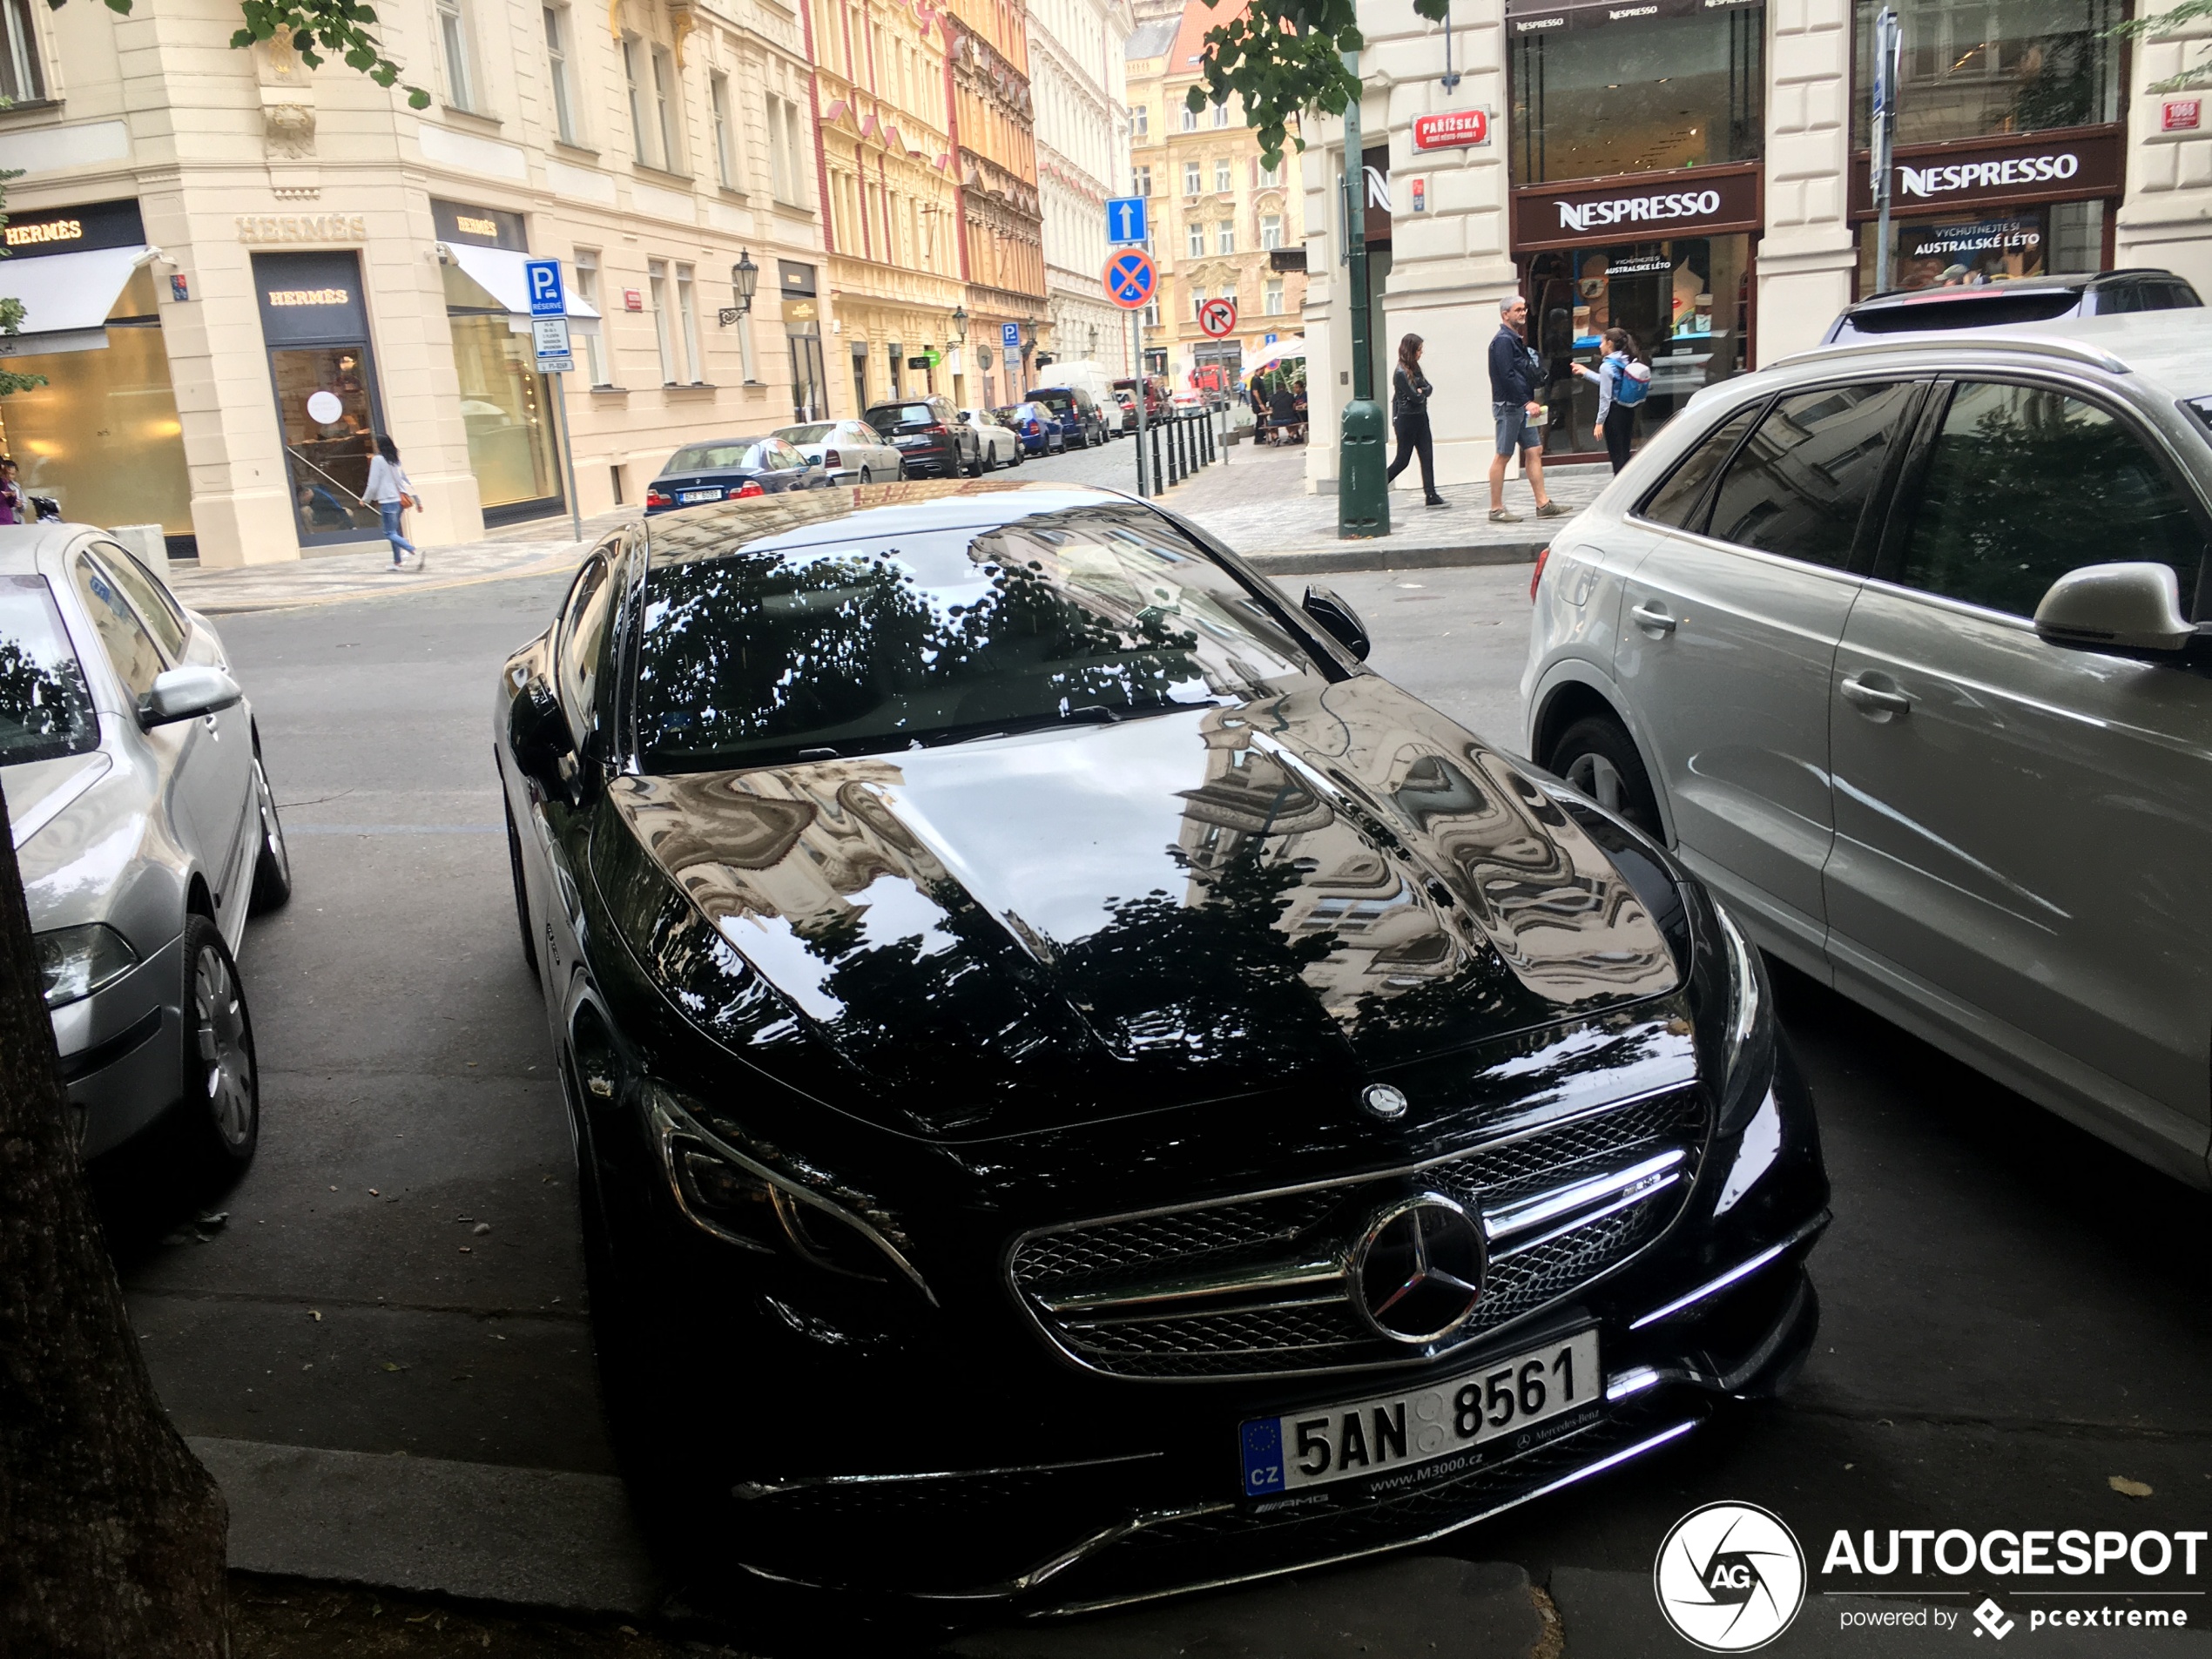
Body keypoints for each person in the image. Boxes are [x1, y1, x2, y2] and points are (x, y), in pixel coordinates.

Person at [1487, 296, 1565, 523]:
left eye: (1524, 309)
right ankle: (1495, 509)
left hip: (1519, 405)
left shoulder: (1512, 339)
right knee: (1503, 455)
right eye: (1518, 310)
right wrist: (1525, 402)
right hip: (1510, 406)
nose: (1523, 313)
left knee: (1534, 450)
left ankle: (1543, 504)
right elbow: (1506, 375)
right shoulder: (1503, 340)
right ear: (1505, 315)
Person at [1573, 327, 1648, 474]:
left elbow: (1605, 396)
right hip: (1627, 410)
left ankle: (1620, 488)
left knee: (1616, 455)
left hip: (1614, 413)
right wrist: (1585, 372)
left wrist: (1599, 422)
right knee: (1624, 452)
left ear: (1610, 343)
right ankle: (1628, 485)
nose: (1600, 346)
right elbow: (1609, 383)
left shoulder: (1607, 366)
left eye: (1602, 342)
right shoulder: (1626, 360)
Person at [1385, 334, 1446, 507]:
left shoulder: (1415, 368)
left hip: (1420, 417)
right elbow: (1415, 396)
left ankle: (1431, 494)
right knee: (1403, 460)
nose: (1421, 353)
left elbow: (1428, 388)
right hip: (1407, 420)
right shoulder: (1400, 373)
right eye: (1419, 350)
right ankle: (1379, 486)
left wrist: (1422, 391)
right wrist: (1421, 392)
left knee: (1427, 456)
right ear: (1411, 351)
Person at [362, 435, 421, 570]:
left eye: (375, 443)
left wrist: (365, 499)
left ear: (380, 445)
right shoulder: (394, 460)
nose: (374, 445)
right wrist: (416, 499)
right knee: (393, 531)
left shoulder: (377, 460)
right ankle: (397, 562)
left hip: (388, 500)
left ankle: (410, 548)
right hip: (399, 500)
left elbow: (372, 484)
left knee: (389, 533)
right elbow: (404, 480)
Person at [0, 458, 23, 526]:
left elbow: (10, 503)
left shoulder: (3, 482)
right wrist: (2, 495)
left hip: (7, 519)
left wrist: (12, 496)